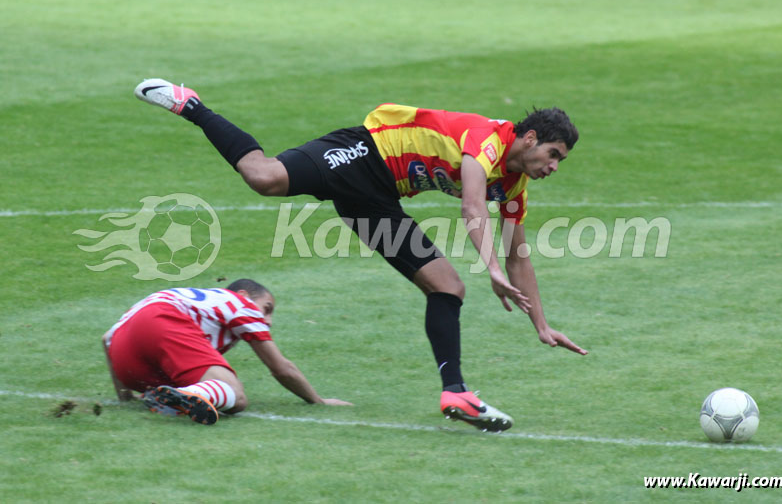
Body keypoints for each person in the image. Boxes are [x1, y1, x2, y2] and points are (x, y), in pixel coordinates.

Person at [134, 78, 588, 432]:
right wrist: (490, 267)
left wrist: (542, 325)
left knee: (447, 286)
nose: (552, 166)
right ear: (528, 138)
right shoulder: (487, 139)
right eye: (552, 154)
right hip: (361, 154)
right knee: (264, 177)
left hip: (379, 200)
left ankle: (456, 394)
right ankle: (191, 106)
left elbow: (518, 256)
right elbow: (472, 206)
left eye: (560, 162)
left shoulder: (514, 186)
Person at [103, 278, 351, 425]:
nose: (268, 320)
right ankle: (186, 396)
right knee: (235, 396)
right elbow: (280, 368)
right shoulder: (239, 303)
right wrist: (317, 401)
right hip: (163, 319)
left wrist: (125, 396)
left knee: (205, 383)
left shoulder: (204, 304)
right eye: (266, 308)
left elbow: (107, 338)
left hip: (124, 351)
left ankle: (168, 397)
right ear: (243, 295)